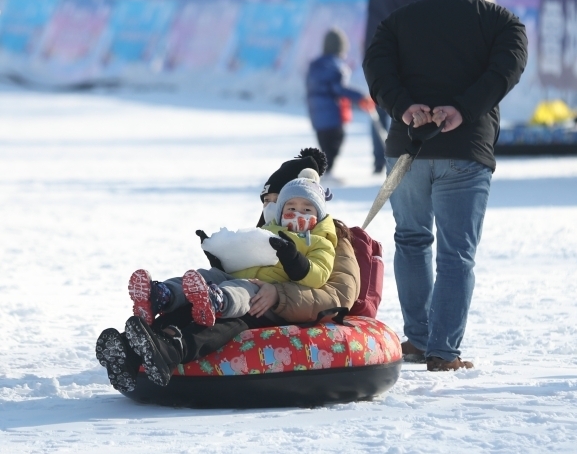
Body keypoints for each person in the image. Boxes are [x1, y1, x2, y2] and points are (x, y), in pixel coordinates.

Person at [364, 0, 528, 371]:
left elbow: (376, 68)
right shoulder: (504, 24)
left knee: (411, 240)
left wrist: (404, 106)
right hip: (465, 150)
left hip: (407, 150)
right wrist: (463, 109)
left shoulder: (397, 22)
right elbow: (504, 71)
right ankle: (443, 350)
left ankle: (417, 339)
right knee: (456, 253)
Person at [95, 149, 361, 393]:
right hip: (241, 292)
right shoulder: (268, 231)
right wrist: (220, 259)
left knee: (230, 319)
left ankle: (173, 348)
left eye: (274, 200)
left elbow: (338, 295)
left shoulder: (332, 239)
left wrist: (278, 294)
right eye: (266, 202)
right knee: (190, 305)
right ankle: (133, 350)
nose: (268, 208)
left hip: (281, 309)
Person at [127, 168, 337, 328]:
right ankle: (162, 295)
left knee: (243, 290)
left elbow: (318, 275)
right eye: (291, 208)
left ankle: (216, 301)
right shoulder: (268, 230)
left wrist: (293, 259)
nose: (298, 213)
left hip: (265, 287)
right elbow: (245, 254)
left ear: (318, 215)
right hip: (234, 275)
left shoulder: (320, 242)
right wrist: (220, 254)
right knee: (205, 274)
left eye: (307, 209)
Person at [365, 0, 437, 174]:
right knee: (405, 107)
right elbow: (430, 15)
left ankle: (378, 158)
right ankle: (402, 158)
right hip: (403, 51)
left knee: (382, 103)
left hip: (375, 47)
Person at [306, 27, 375, 173]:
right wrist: (361, 97)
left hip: (316, 113)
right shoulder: (336, 66)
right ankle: (327, 170)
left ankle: (325, 169)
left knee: (325, 144)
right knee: (336, 140)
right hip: (332, 114)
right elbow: (339, 89)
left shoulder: (314, 65)